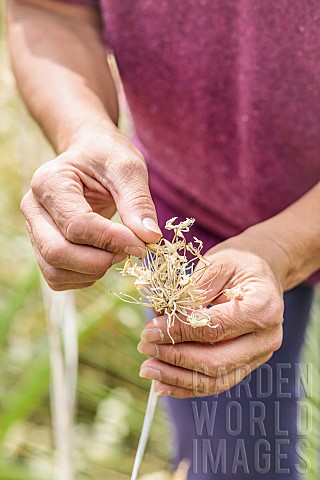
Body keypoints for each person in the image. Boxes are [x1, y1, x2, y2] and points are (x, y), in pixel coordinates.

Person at [7, 1, 320, 478]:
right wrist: (84, 132)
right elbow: (51, 10)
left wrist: (284, 246)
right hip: (201, 234)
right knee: (233, 465)